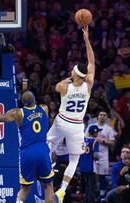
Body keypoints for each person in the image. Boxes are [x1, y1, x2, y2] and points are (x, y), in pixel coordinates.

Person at [46, 25, 96, 203]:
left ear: (74, 73)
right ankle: (62, 191)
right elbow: (91, 62)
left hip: (62, 122)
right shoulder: (88, 83)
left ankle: (45, 173)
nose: (71, 70)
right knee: (74, 161)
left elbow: (56, 86)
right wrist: (86, 40)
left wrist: (67, 79)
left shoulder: (64, 86)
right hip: (76, 126)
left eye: (73, 70)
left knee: (46, 149)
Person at [85, 110, 116, 198]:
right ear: (98, 116)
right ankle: (92, 194)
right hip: (91, 155)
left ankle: (102, 194)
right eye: (101, 114)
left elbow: (112, 142)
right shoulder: (91, 126)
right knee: (92, 176)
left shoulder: (108, 128)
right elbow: (85, 138)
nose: (102, 116)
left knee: (102, 175)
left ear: (106, 117)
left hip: (103, 156)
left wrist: (103, 141)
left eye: (104, 115)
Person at [79, 125, 100, 203]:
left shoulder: (82, 140)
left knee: (87, 187)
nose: (98, 133)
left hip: (82, 167)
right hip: (91, 167)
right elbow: (96, 156)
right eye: (97, 132)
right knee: (91, 188)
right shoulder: (95, 141)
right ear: (94, 133)